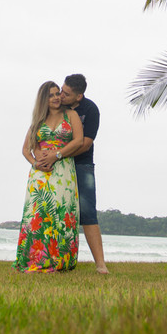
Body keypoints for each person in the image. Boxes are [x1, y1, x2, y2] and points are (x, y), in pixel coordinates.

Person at [37, 73, 108, 274]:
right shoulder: (57, 106)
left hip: (81, 165)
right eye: (61, 90)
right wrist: (42, 157)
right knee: (53, 212)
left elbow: (85, 143)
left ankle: (100, 264)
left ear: (78, 96)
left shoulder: (90, 110)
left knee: (87, 213)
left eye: (66, 94)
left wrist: (59, 156)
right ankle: (51, 260)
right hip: (55, 167)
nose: (61, 95)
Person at [14, 81, 84, 272]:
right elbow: (25, 150)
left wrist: (57, 154)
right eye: (51, 95)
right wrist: (36, 163)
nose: (55, 98)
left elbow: (78, 140)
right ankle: (35, 258)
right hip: (40, 175)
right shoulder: (38, 120)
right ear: (44, 99)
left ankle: (60, 259)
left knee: (61, 212)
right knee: (38, 215)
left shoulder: (71, 115)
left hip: (63, 171)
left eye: (57, 94)